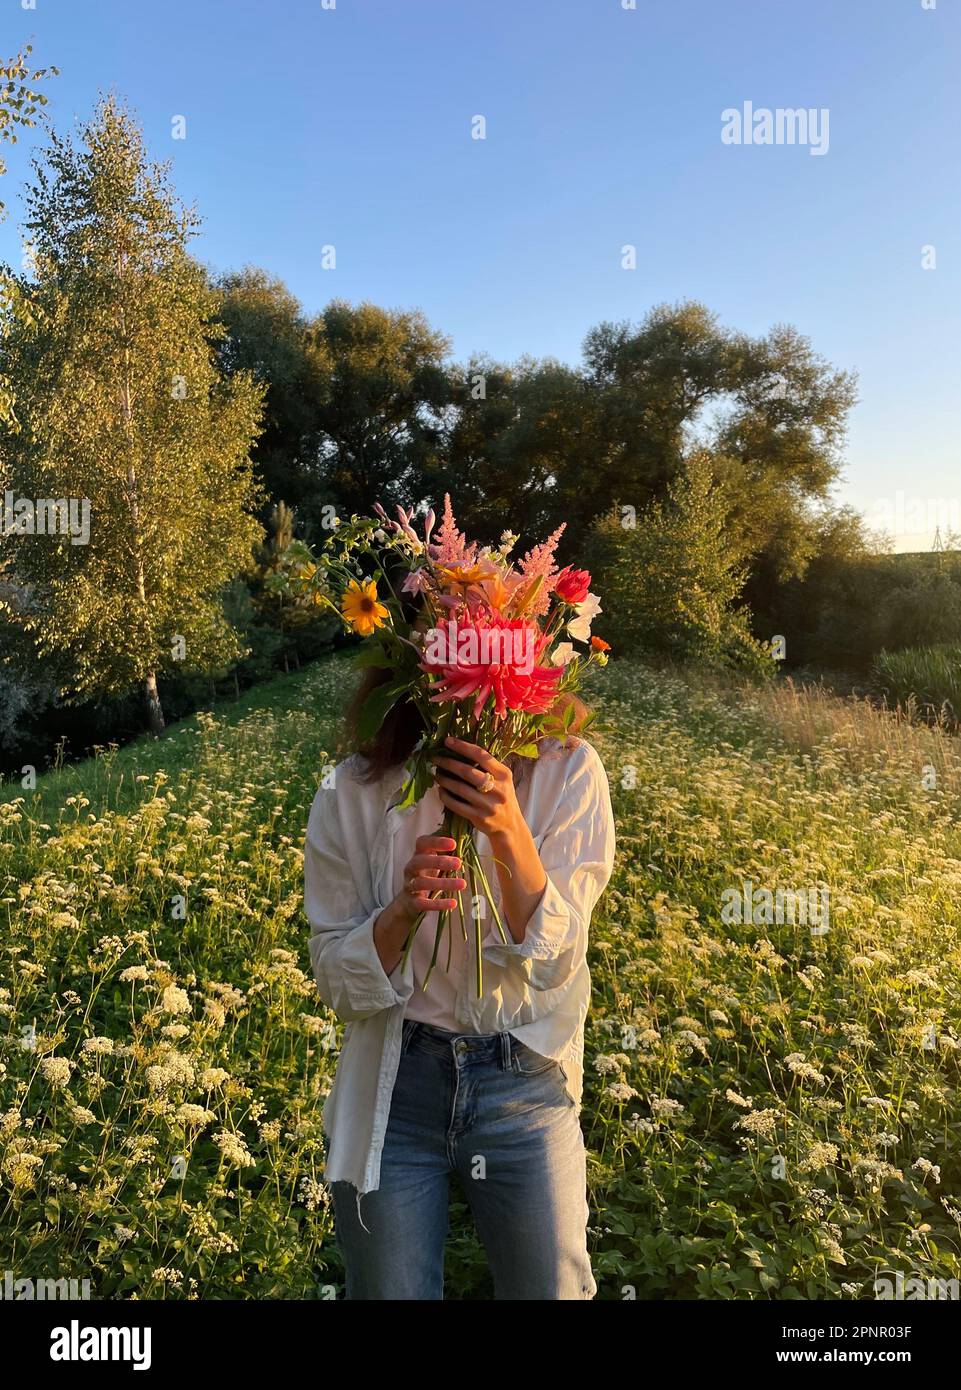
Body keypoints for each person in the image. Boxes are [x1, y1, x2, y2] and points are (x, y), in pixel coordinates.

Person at [303, 662, 617, 1300]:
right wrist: (401, 910)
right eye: (450, 632)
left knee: (552, 1288)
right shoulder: (352, 790)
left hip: (523, 1076)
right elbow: (337, 982)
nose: (474, 668)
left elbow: (558, 964)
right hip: (397, 1084)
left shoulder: (566, 768)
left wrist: (508, 832)